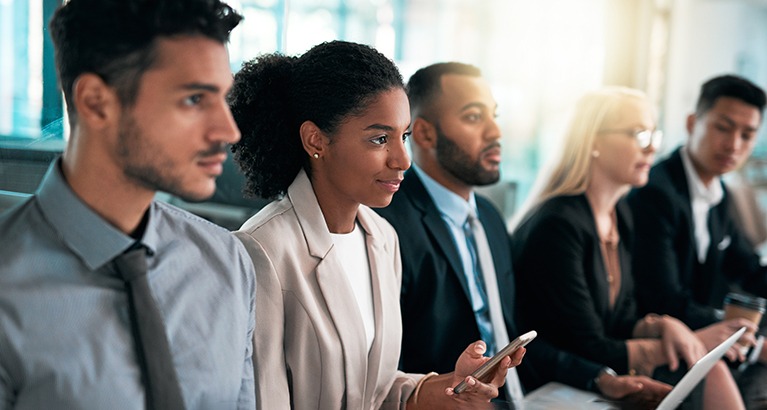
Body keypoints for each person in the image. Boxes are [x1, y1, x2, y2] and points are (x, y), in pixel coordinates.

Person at [229, 41, 524, 410]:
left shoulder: (382, 237)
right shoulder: (261, 251)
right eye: (380, 139)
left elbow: (378, 388)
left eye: (402, 136)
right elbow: (263, 400)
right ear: (315, 140)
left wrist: (451, 386)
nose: (402, 160)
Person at [0, 0, 256, 408]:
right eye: (194, 99)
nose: (228, 130)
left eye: (223, 98)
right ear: (97, 102)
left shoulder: (226, 263)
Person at [374, 63, 672, 408]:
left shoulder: (488, 218)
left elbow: (510, 337)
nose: (495, 132)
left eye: (494, 116)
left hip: (525, 397)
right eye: (474, 117)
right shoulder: (388, 226)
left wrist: (600, 378)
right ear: (425, 135)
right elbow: (383, 372)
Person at [511, 87, 745, 409]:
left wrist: (663, 325)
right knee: (710, 371)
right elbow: (585, 344)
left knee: (712, 370)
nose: (651, 149)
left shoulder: (618, 214)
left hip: (598, 367)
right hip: (561, 379)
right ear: (593, 140)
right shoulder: (558, 225)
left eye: (654, 135)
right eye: (639, 134)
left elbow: (620, 318)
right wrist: (688, 343)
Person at [627, 74, 767, 407]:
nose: (734, 145)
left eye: (747, 135)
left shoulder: (720, 195)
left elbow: (747, 269)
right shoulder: (656, 192)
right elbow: (662, 297)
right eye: (723, 127)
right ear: (693, 123)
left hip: (707, 338)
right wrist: (755, 343)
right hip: (661, 344)